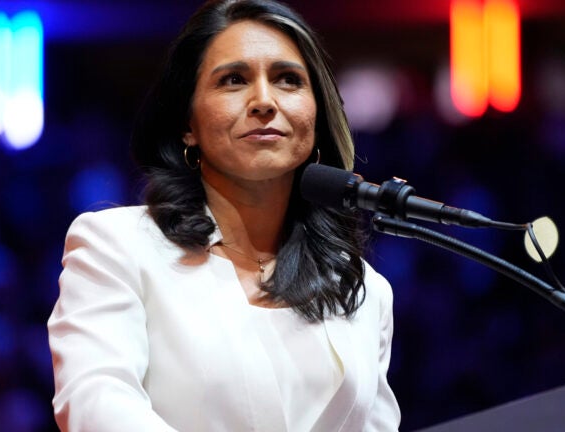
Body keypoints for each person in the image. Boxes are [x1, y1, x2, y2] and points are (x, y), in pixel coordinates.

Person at [47, 0, 401, 430]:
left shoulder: (364, 289)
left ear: (316, 113)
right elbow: (96, 403)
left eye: (288, 80)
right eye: (234, 80)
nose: (264, 101)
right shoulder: (115, 245)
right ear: (187, 125)